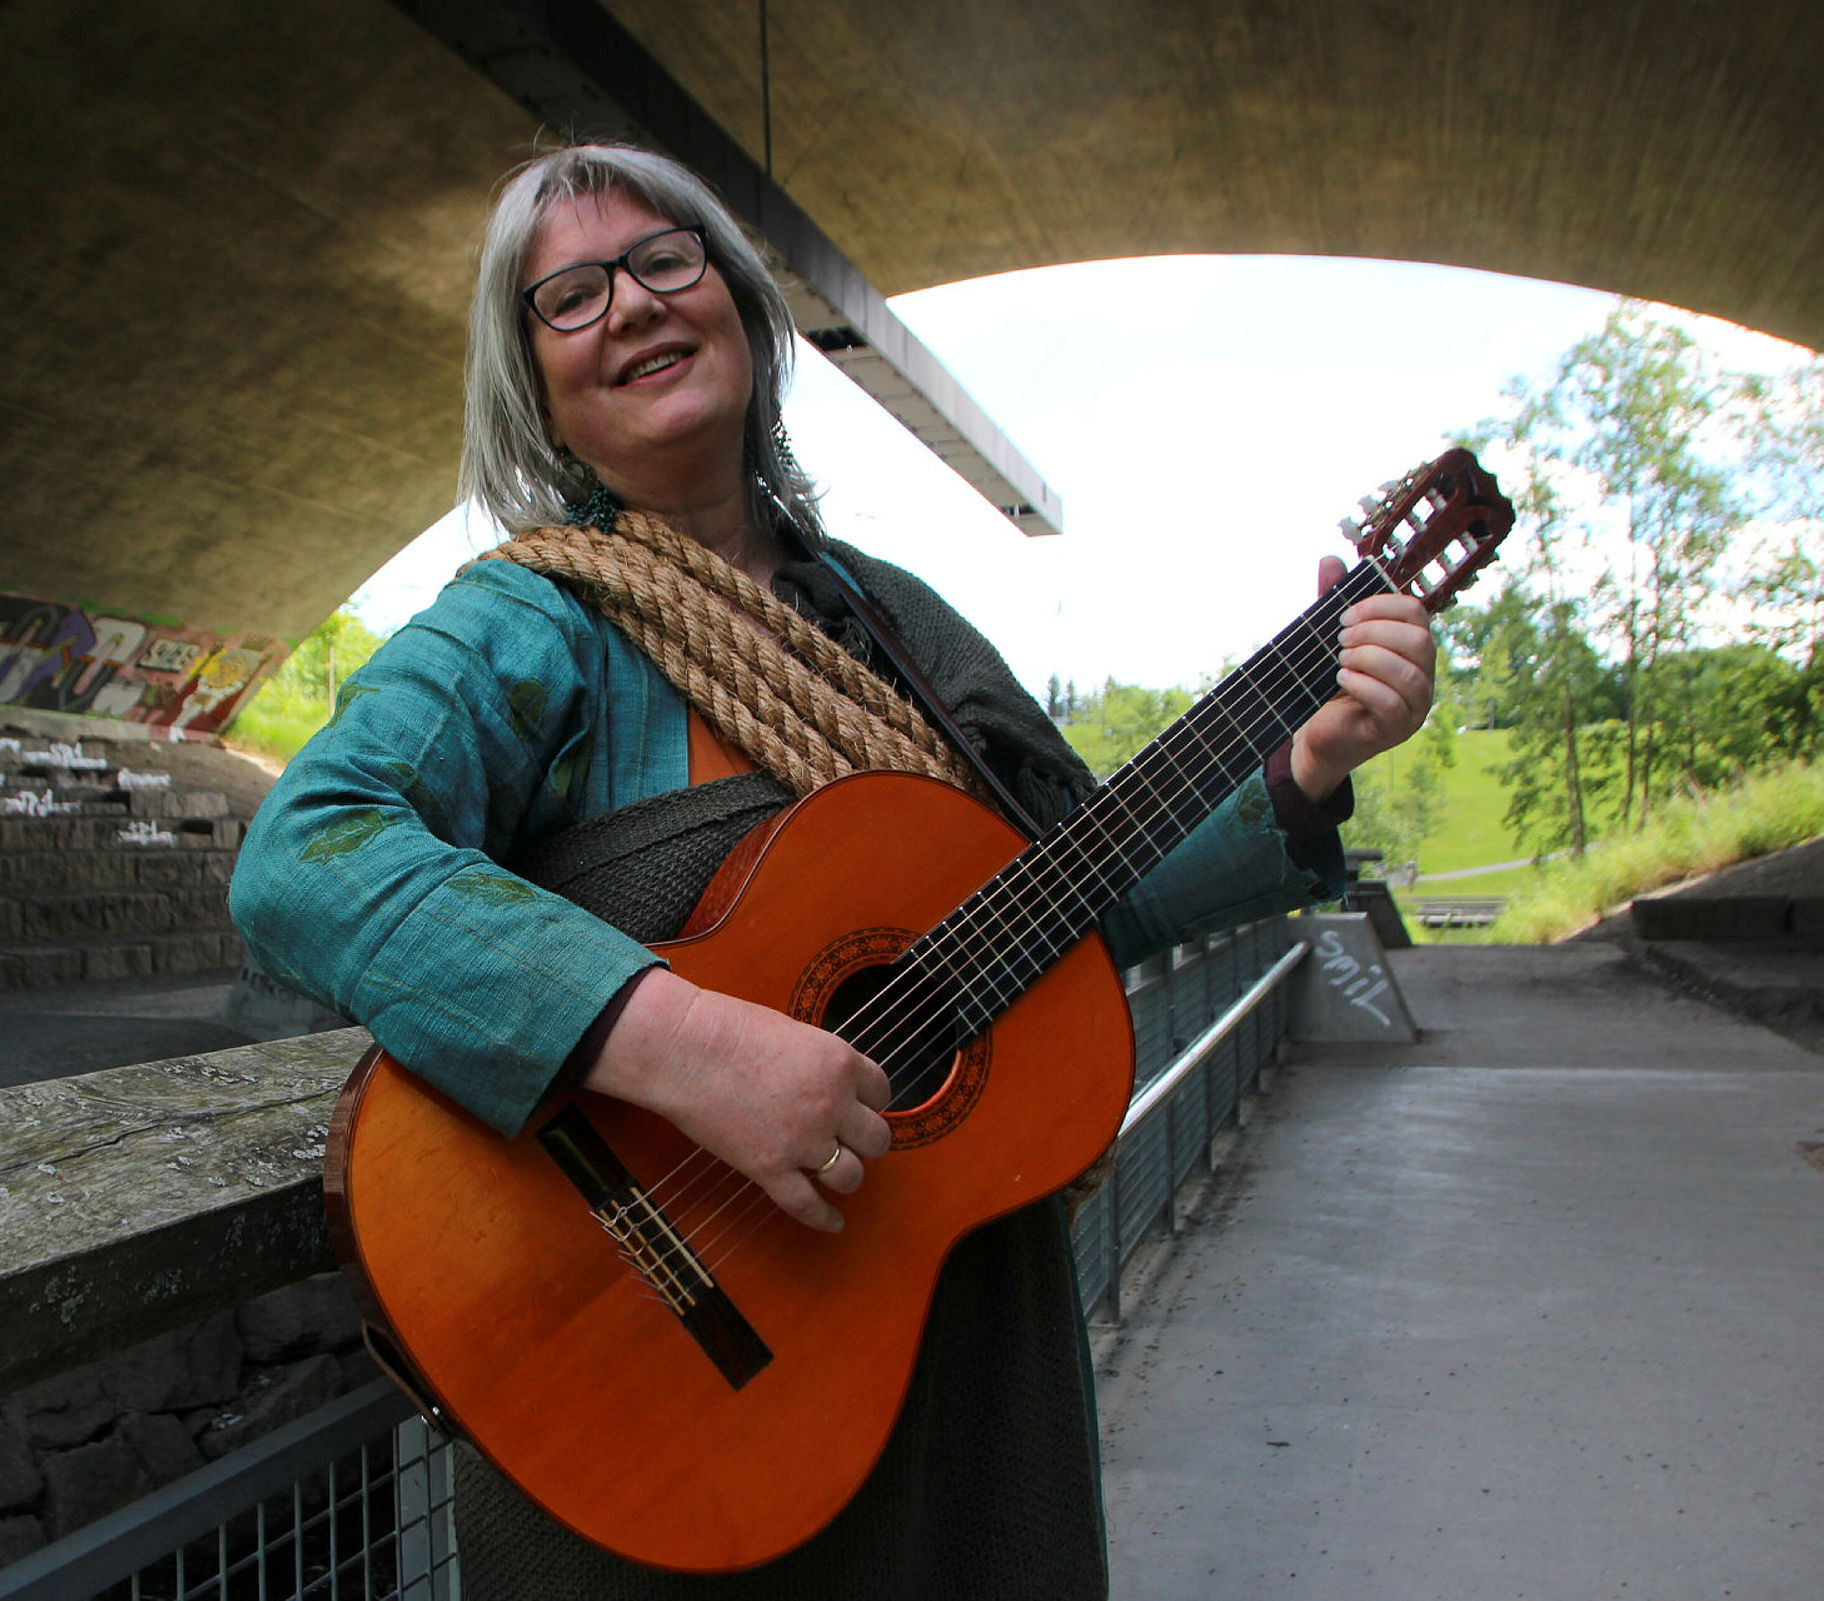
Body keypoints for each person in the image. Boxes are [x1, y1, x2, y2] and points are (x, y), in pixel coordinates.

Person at [229, 143, 1435, 1598]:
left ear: (738, 302)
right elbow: (310, 851)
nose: (630, 305)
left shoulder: (904, 632)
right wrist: (689, 1045)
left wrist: (1302, 772)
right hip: (682, 1380)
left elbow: (1070, 907)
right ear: (533, 388)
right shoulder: (528, 625)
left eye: (667, 260)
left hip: (948, 1340)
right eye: (571, 295)